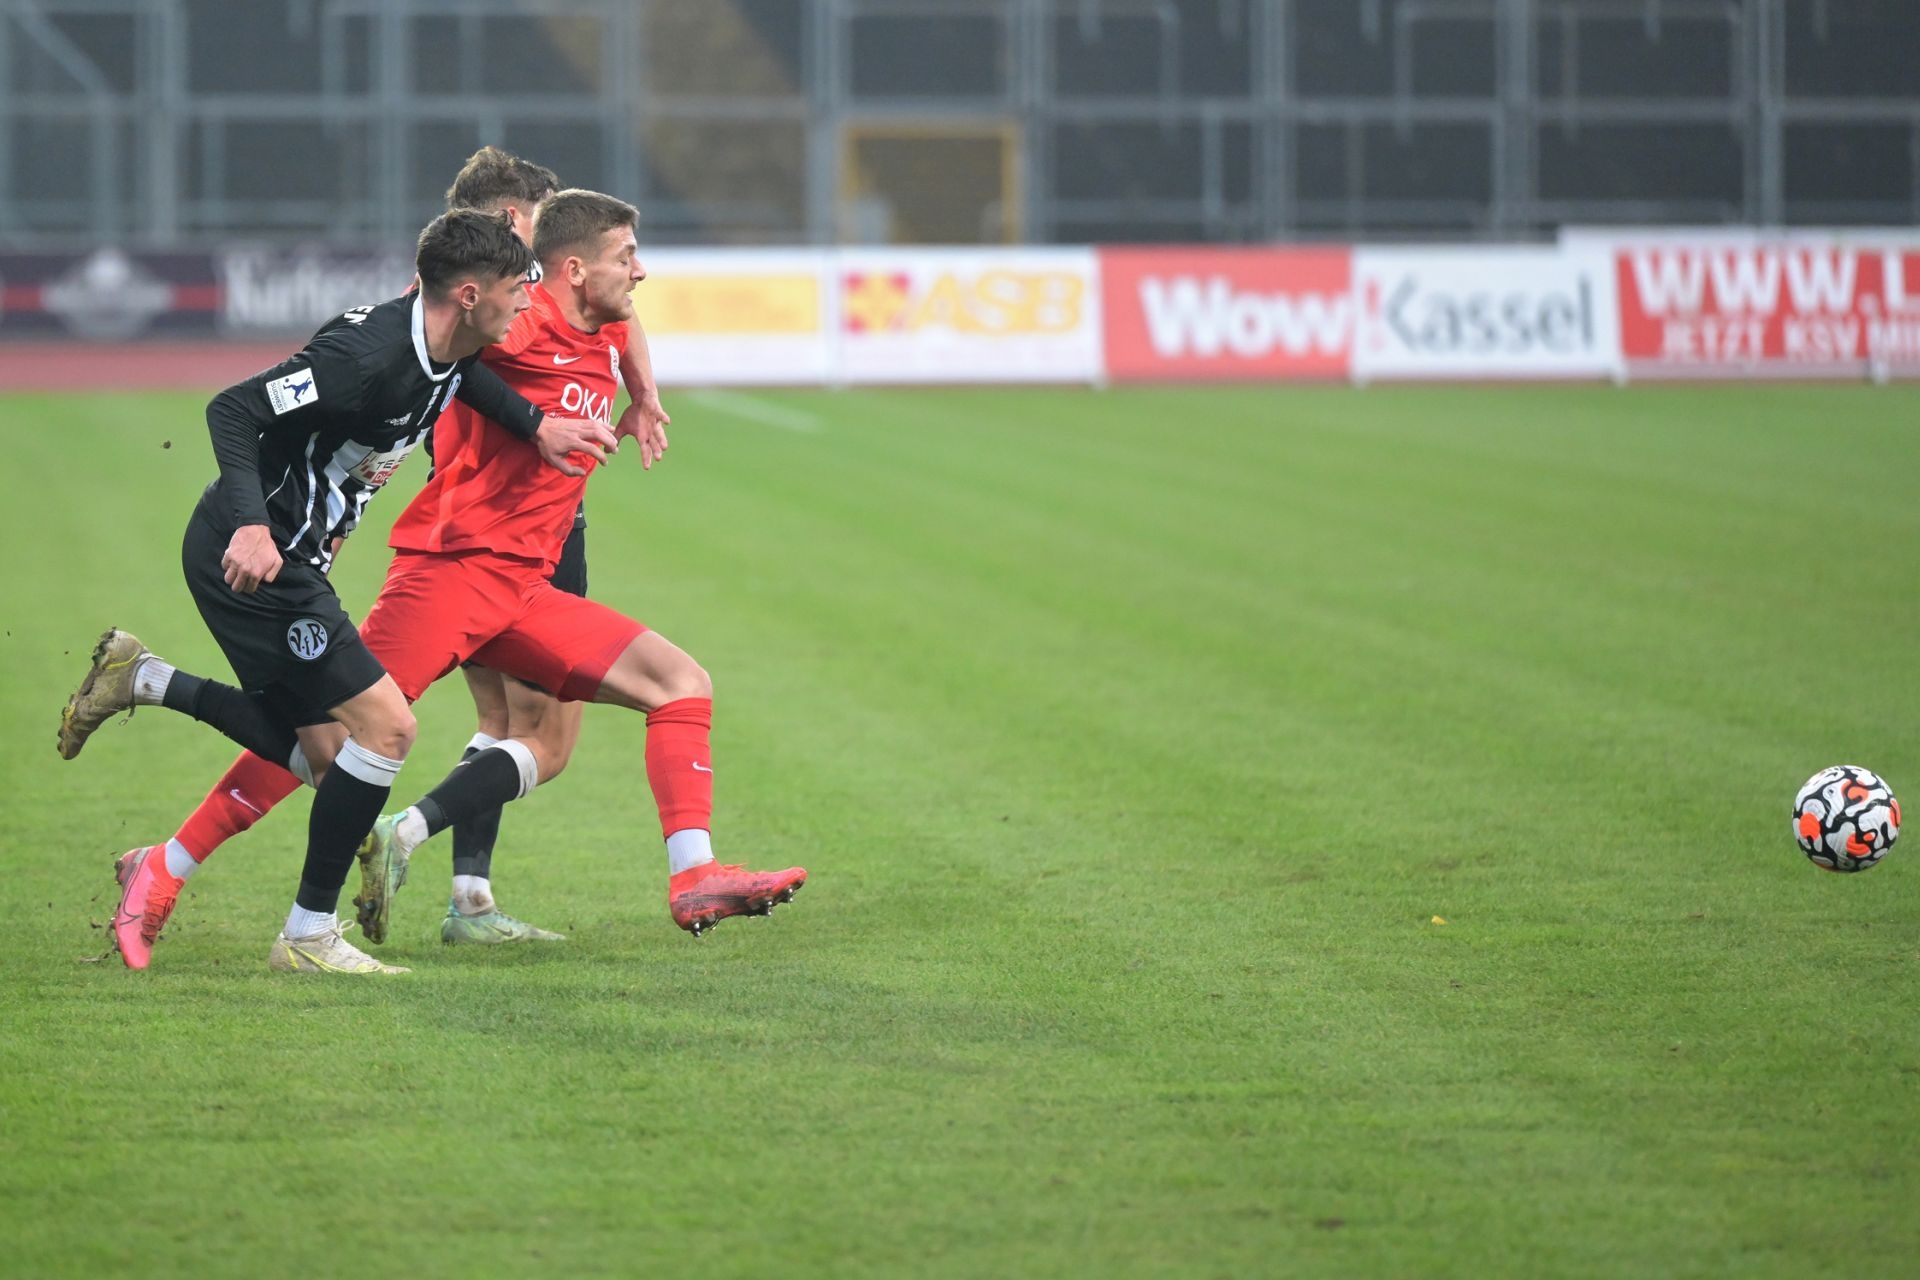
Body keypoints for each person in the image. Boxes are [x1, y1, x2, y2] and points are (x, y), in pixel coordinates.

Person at [104, 147, 672, 966]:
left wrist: (541, 423)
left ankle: (151, 700)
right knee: (381, 730)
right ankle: (303, 933)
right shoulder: (367, 354)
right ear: (485, 265)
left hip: (309, 554)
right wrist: (251, 526)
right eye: (522, 278)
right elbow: (234, 408)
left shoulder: (454, 346)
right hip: (265, 555)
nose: (531, 300)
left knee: (327, 753)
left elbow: (486, 371)